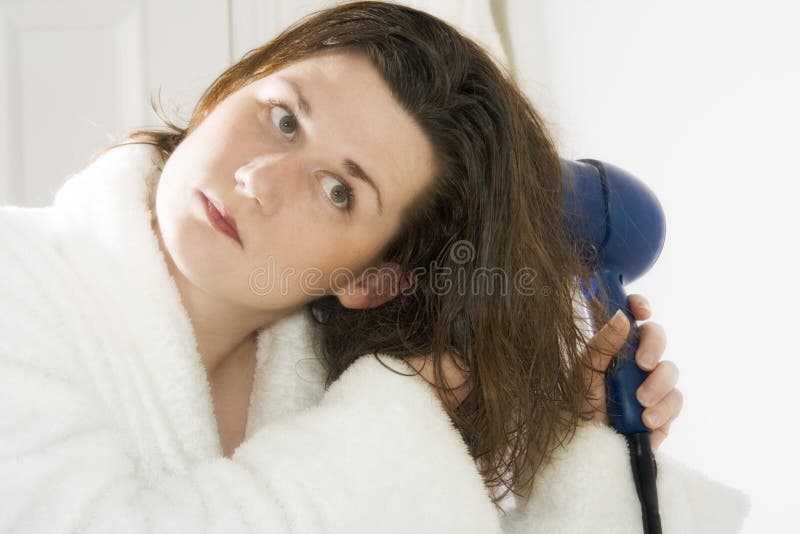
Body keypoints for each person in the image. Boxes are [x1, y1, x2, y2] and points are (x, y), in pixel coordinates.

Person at [0, 1, 748, 532]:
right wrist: (395, 417)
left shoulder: (327, 406)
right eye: (284, 117)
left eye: (337, 191)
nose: (261, 179)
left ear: (372, 279)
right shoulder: (16, 278)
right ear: (229, 90)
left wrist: (592, 450)